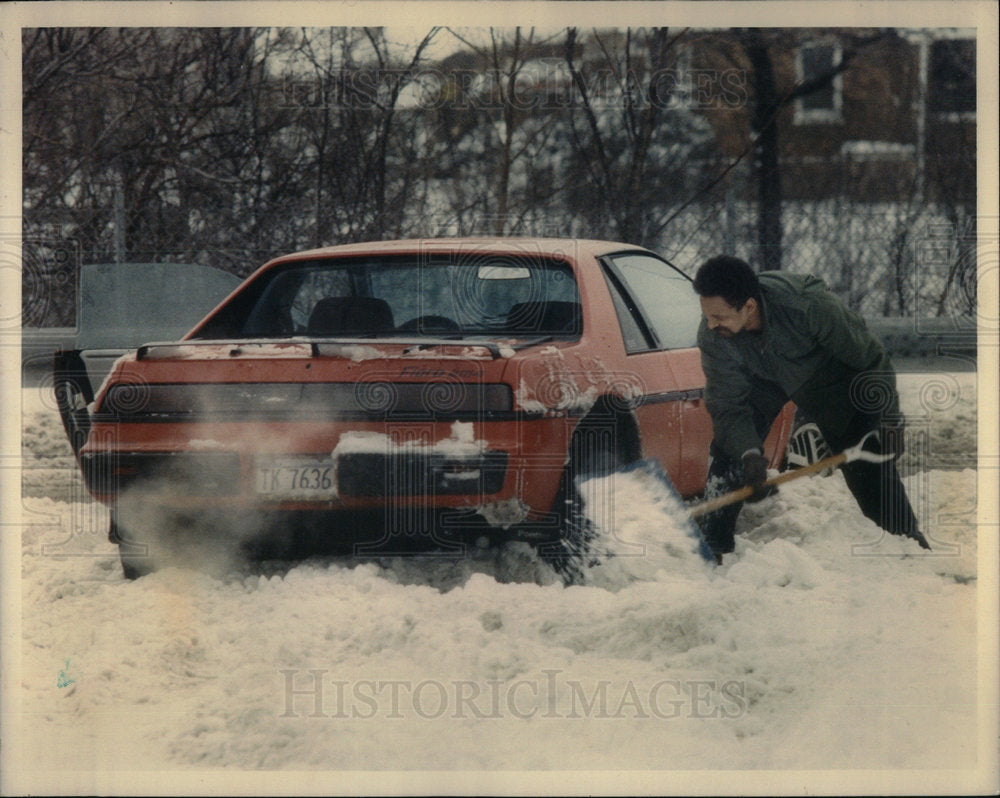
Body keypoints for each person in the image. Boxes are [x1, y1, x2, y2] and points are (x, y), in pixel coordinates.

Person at [692, 255, 930, 562]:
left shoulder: (807, 306)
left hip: (823, 375)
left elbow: (869, 359)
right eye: (707, 316)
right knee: (729, 451)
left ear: (749, 306)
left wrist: (890, 420)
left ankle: (908, 547)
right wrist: (748, 453)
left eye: (719, 317)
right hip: (761, 379)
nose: (711, 324)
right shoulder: (714, 335)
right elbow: (726, 404)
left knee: (865, 460)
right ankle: (712, 548)